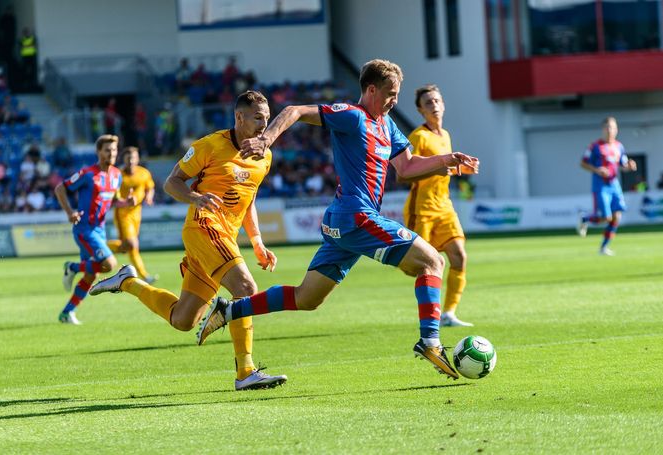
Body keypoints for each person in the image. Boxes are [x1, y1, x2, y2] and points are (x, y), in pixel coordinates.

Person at [198, 59, 478, 381]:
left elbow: (407, 167)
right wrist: (266, 139)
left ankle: (229, 310)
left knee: (307, 298)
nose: (394, 101)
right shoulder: (352, 116)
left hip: (343, 221)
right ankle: (430, 342)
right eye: (390, 93)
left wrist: (447, 160)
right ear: (371, 90)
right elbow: (294, 110)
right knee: (432, 262)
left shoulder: (387, 126)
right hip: (355, 215)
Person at [89, 91, 287, 391]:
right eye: (258, 117)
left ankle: (126, 281)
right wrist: (196, 197)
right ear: (239, 118)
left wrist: (257, 240)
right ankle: (245, 371)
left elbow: (249, 200)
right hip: (203, 228)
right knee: (246, 289)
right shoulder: (209, 145)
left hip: (225, 237)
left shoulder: (264, 156)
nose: (264, 124)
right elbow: (171, 183)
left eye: (267, 117)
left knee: (183, 320)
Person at [402, 84, 474, 327]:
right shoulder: (418, 137)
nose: (434, 105)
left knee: (459, 257)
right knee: (417, 267)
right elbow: (403, 174)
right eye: (428, 103)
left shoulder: (446, 136)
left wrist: (462, 169)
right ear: (421, 110)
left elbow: (443, 170)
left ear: (443, 104)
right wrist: (437, 167)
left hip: (444, 207)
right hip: (420, 210)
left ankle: (448, 314)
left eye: (437, 101)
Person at [54, 135, 135, 324]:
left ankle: (67, 313)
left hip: (99, 230)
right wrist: (69, 212)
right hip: (84, 229)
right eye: (107, 150)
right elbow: (60, 188)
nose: (112, 153)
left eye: (114, 150)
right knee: (109, 264)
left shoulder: (116, 175)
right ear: (98, 152)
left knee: (91, 274)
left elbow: (112, 200)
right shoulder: (87, 173)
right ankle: (71, 267)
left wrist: (125, 202)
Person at [577, 117, 637, 256]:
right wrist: (597, 170)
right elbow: (583, 163)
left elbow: (623, 164)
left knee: (617, 217)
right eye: (608, 127)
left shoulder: (619, 146)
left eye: (613, 128)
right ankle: (585, 219)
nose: (611, 131)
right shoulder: (595, 146)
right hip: (600, 186)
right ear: (603, 129)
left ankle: (603, 247)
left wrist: (629, 166)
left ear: (617, 130)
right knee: (606, 217)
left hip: (614, 184)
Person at [106, 146, 157, 283]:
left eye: (133, 157)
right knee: (131, 244)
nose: (131, 161)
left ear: (138, 158)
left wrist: (149, 197)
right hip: (122, 214)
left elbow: (149, 187)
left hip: (136, 213)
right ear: (123, 159)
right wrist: (125, 202)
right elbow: (112, 199)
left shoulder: (144, 173)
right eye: (128, 158)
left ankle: (100, 248)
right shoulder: (118, 176)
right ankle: (144, 275)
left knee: (127, 246)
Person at [19, 27, 38, 91]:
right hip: (25, 57)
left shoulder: (32, 38)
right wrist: (29, 45)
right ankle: (25, 83)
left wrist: (27, 46)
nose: (26, 33)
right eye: (25, 32)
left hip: (32, 56)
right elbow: (22, 46)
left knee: (33, 70)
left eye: (27, 32)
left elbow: (34, 45)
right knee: (25, 70)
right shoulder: (22, 39)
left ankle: (33, 82)